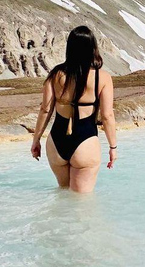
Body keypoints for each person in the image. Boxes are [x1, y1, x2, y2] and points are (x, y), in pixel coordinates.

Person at [30, 26, 117, 192]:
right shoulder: (102, 77)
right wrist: (113, 147)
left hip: (56, 142)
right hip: (86, 143)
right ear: (93, 48)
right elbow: (107, 116)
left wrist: (36, 140)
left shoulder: (56, 74)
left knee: (63, 195)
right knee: (82, 204)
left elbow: (45, 110)